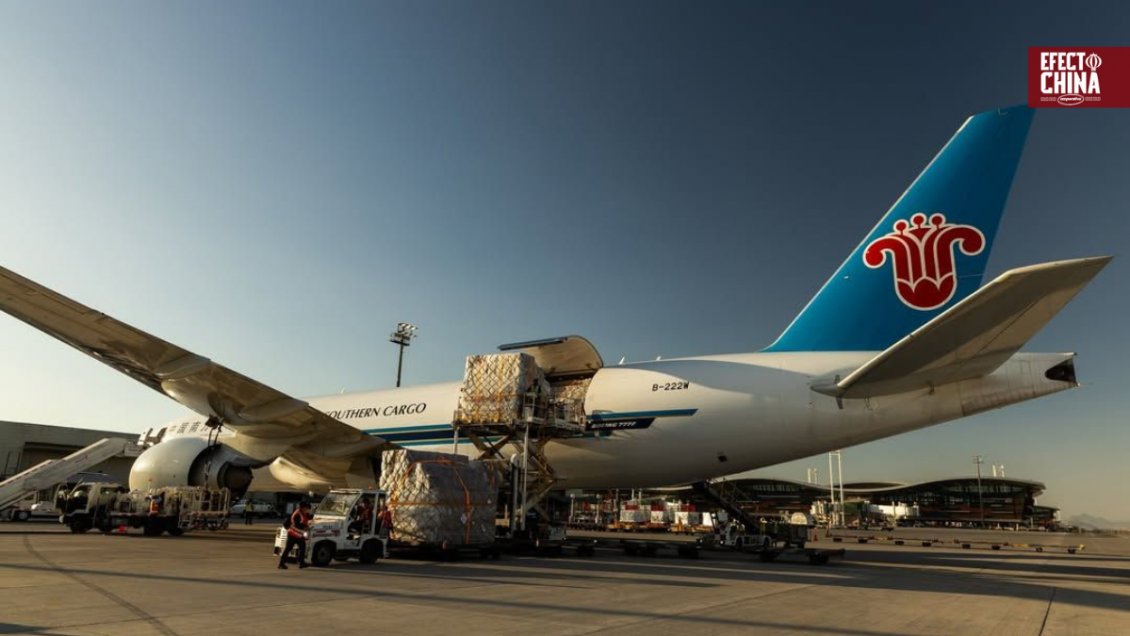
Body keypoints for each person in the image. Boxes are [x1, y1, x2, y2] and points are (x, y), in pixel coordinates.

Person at [278, 501, 312, 570]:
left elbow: (309, 517)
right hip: (293, 534)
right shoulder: (297, 514)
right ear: (303, 507)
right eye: (307, 508)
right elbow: (296, 525)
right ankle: (282, 564)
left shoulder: (303, 513)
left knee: (301, 548)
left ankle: (301, 562)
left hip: (297, 535)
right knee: (290, 549)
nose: (307, 510)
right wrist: (305, 527)